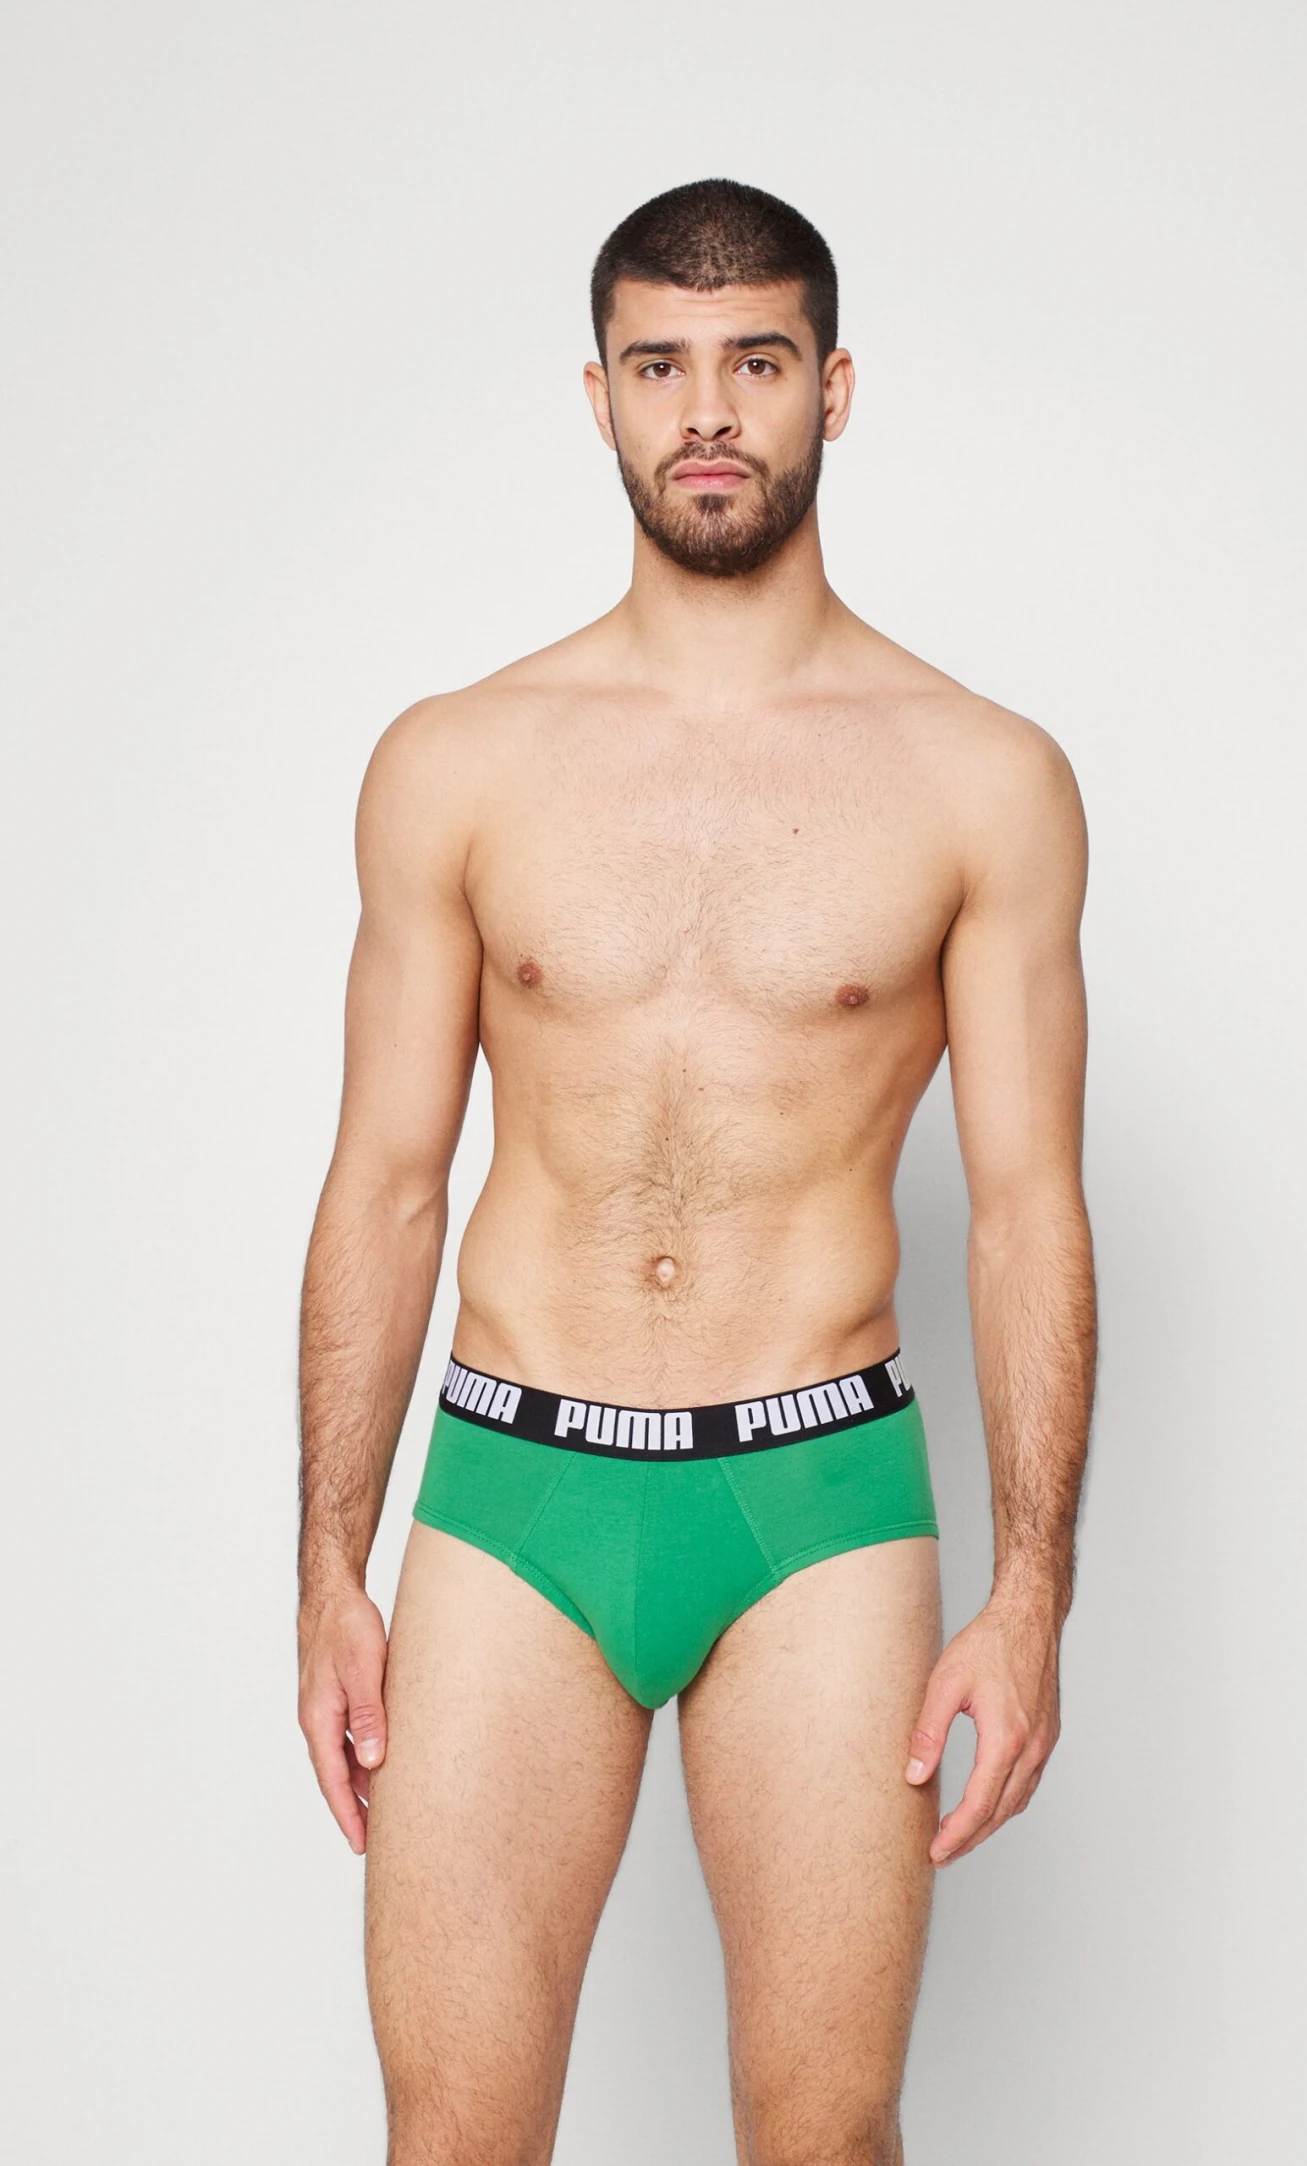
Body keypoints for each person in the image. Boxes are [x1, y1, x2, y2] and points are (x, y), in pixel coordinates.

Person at [297, 177, 1096, 2166]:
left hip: (817, 1502)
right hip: (514, 1496)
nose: (709, 409)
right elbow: (386, 1182)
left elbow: (1026, 1213)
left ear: (835, 386)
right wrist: (326, 1562)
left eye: (755, 363)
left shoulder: (981, 777)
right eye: (660, 366)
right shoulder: (458, 760)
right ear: (600, 398)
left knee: (824, 2135)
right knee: (453, 2135)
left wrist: (1033, 1595)